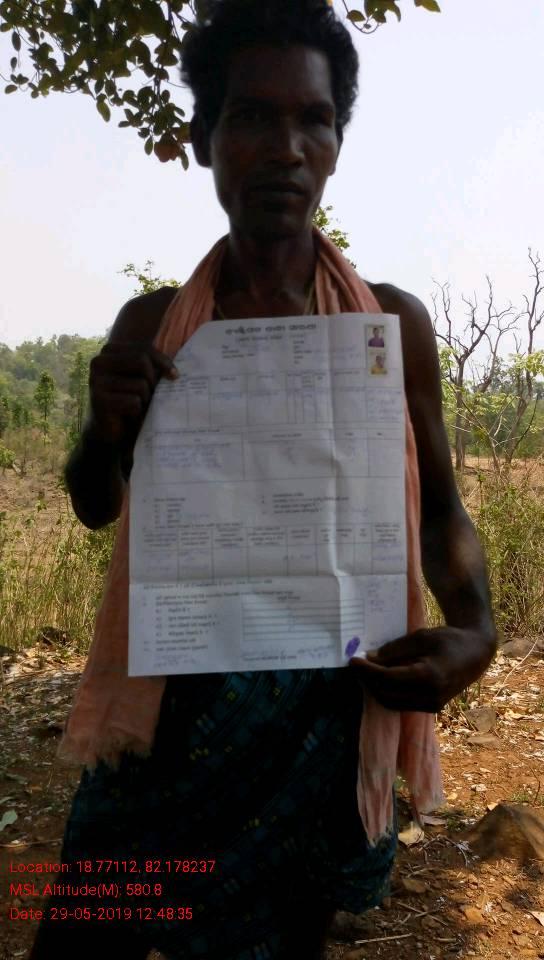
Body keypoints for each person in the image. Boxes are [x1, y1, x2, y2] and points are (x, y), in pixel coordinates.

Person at [30, 1, 497, 958]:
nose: (284, 148)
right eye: (250, 117)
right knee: (89, 929)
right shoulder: (155, 327)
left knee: (276, 942)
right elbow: (93, 503)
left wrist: (478, 632)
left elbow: (442, 510)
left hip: (320, 725)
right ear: (205, 137)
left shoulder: (388, 329)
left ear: (336, 145)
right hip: (168, 712)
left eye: (312, 120)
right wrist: (104, 430)